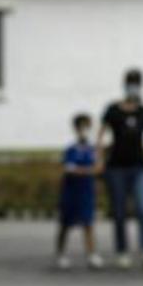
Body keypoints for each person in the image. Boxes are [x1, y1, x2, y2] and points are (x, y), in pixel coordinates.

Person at [97, 67, 143, 269]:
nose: (133, 88)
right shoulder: (113, 110)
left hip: (139, 166)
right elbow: (101, 135)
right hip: (116, 167)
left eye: (136, 83)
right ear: (125, 85)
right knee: (119, 212)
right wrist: (99, 158)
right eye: (131, 83)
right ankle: (122, 251)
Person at [55, 113, 103, 270]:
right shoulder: (70, 149)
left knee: (88, 224)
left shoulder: (92, 149)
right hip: (71, 191)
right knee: (65, 224)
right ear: (76, 129)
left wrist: (84, 170)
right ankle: (61, 254)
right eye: (81, 127)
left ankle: (91, 254)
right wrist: (87, 170)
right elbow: (68, 169)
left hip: (86, 191)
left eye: (87, 127)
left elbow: (98, 168)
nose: (84, 131)